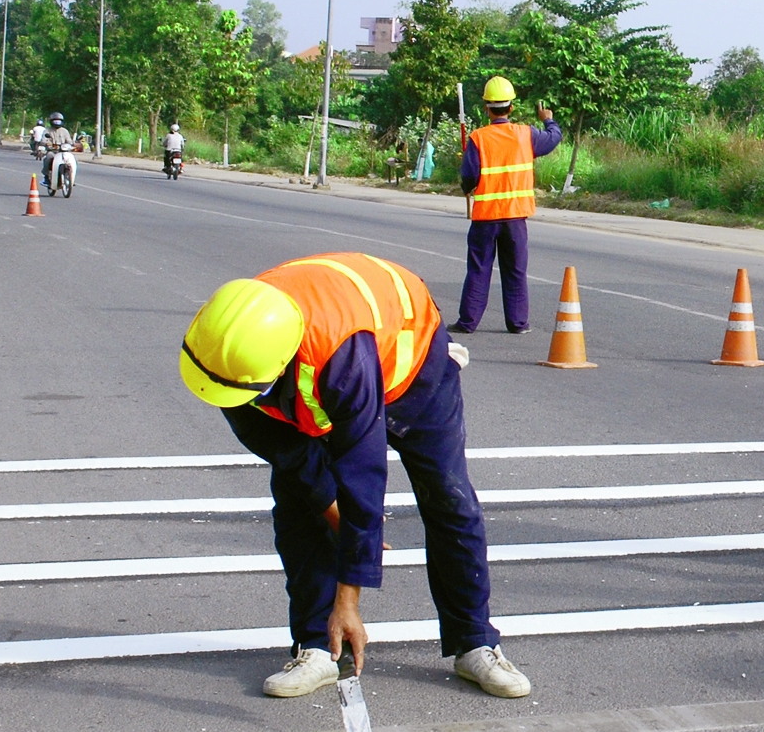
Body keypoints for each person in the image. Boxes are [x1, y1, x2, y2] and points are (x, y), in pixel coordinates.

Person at [178, 251, 532, 700]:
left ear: (282, 364)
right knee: (298, 503)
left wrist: (349, 603)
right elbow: (291, 457)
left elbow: (362, 477)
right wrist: (334, 515)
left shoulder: (345, 360)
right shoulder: (227, 348)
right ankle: (316, 647)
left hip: (411, 363)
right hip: (324, 355)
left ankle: (475, 641)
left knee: (448, 496)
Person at [450, 76, 562, 334]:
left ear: (486, 108)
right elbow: (554, 137)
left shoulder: (478, 138)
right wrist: (548, 118)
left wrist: (466, 188)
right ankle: (518, 323)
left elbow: (469, 176)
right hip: (515, 218)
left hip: (485, 218)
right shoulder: (526, 135)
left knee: (479, 270)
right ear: (510, 108)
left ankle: (468, 322)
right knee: (515, 272)